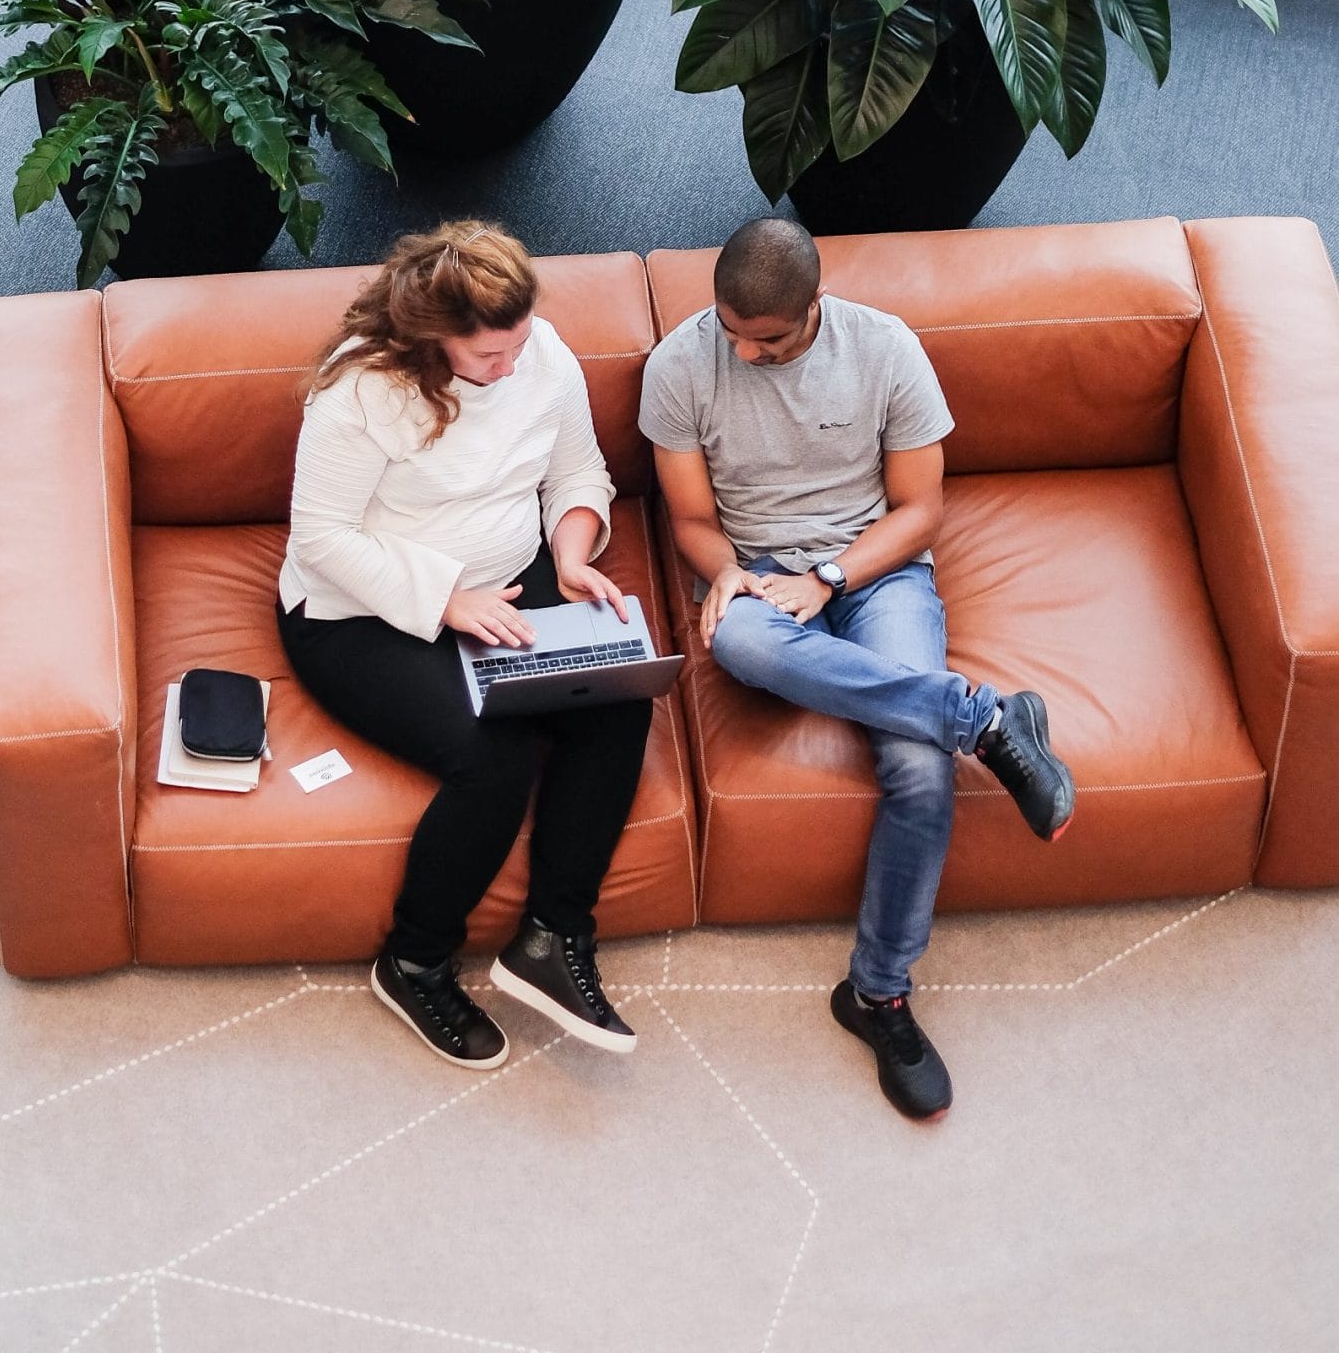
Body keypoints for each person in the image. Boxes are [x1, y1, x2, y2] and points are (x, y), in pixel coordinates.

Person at [640, 216, 1075, 1120]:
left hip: (872, 572)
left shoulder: (883, 348)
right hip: (757, 578)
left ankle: (876, 992)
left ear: (814, 306)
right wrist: (732, 577)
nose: (745, 353)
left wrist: (827, 577)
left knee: (917, 770)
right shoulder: (680, 366)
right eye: (730, 332)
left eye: (767, 339)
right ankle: (983, 718)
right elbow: (688, 519)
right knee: (736, 640)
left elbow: (919, 512)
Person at [278, 220, 652, 1070]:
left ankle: (554, 937)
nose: (512, 366)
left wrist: (570, 552)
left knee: (617, 699)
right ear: (428, 340)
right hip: (361, 610)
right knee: (495, 755)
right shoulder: (359, 392)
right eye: (489, 357)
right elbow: (322, 540)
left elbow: (578, 472)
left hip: (516, 578)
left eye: (518, 345)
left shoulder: (539, 350)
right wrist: (447, 600)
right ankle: (413, 959)